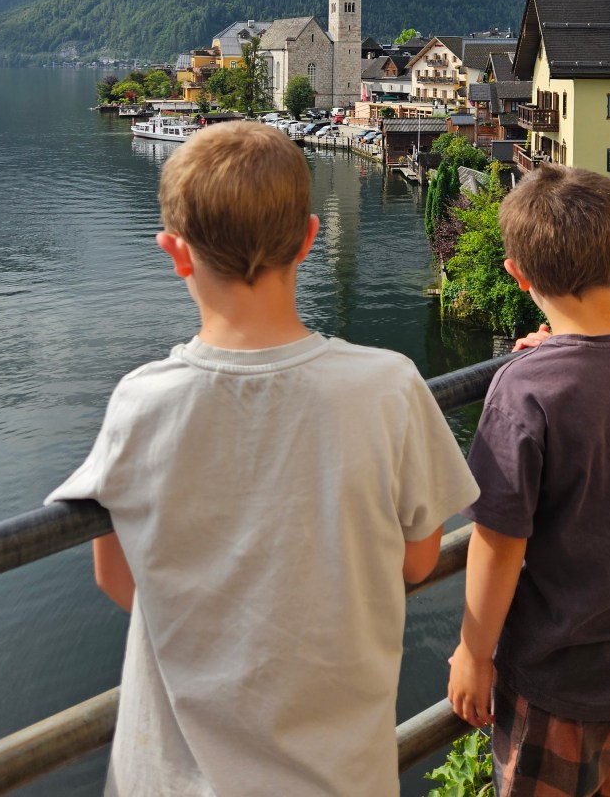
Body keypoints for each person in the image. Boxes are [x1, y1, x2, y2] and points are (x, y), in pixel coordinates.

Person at [47, 121, 478, 797]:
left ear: (175, 253)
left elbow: (116, 578)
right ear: (309, 239)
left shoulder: (142, 401)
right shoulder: (390, 388)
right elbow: (419, 561)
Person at [447, 163, 610, 797]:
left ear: (518, 276)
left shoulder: (525, 388)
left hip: (564, 678)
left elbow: (498, 541)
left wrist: (473, 653)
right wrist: (559, 346)